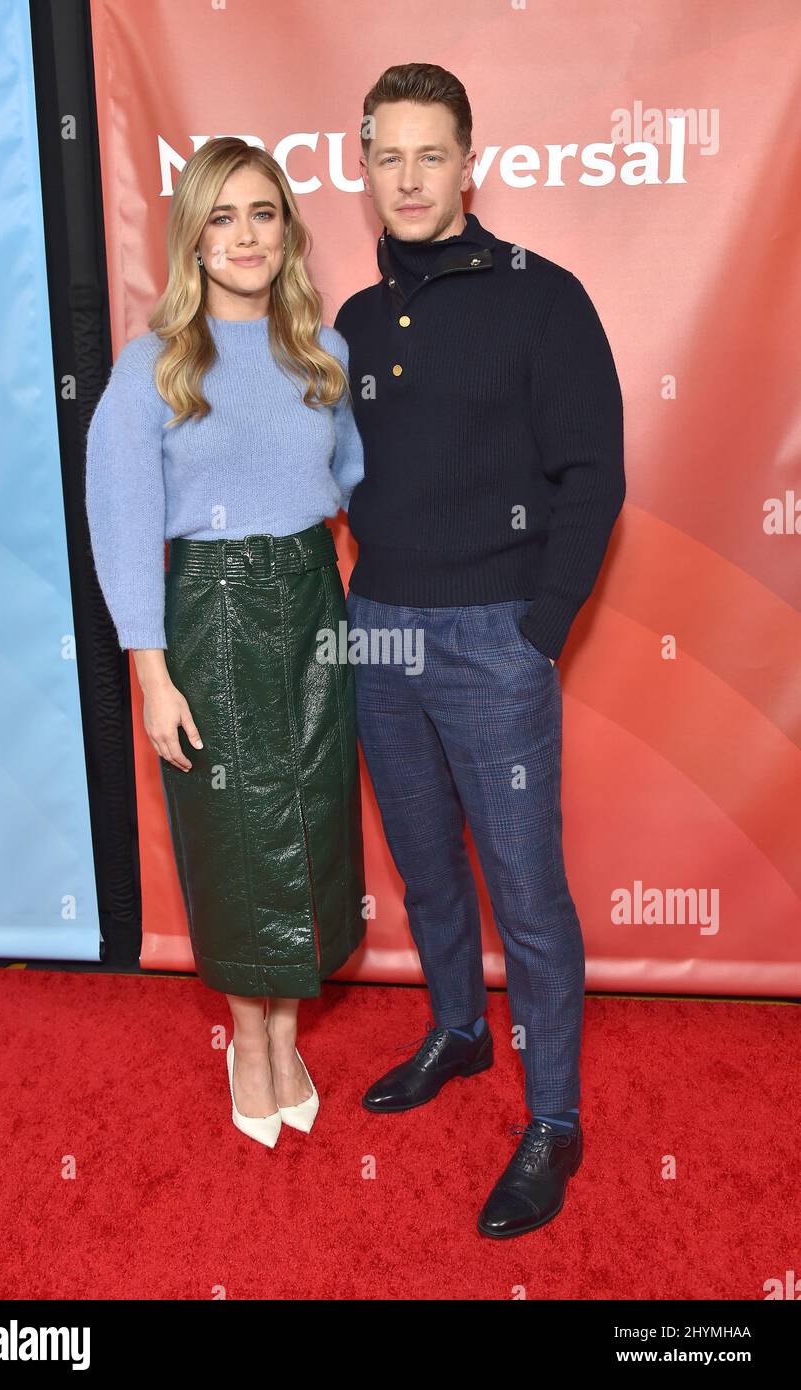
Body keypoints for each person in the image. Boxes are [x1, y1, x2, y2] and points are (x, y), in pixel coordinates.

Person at [334, 64, 625, 1236]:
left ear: (469, 163)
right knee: (424, 864)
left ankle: (553, 1118)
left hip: (492, 641)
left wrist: (536, 627)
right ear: (366, 170)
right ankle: (457, 1029)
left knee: (529, 894)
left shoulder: (542, 298)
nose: (409, 178)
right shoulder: (353, 320)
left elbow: (593, 475)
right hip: (380, 635)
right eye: (386, 157)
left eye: (429, 154)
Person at [85, 136, 367, 1149]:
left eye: (262, 213)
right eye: (222, 217)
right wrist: (150, 672)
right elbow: (122, 524)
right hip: (205, 614)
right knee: (232, 837)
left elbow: (356, 486)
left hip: (311, 605)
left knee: (310, 825)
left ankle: (287, 1032)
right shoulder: (156, 361)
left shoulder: (322, 353)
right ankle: (249, 1044)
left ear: (285, 230)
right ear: (193, 240)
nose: (244, 236)